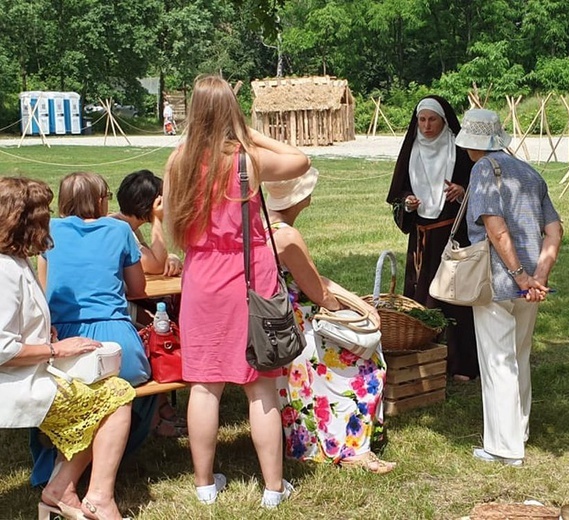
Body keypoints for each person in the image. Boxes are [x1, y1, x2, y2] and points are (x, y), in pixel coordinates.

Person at [164, 75, 310, 508]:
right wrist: (247, 131)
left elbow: (176, 229)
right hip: (250, 274)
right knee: (260, 386)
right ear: (231, 110)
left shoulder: (178, 161)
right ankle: (272, 488)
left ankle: (205, 485)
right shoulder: (248, 160)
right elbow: (299, 159)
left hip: (203, 276)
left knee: (205, 385)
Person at [0, 176, 135, 520]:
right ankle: (93, 495)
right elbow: (2, 349)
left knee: (110, 390)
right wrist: (56, 350)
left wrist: (45, 331)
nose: (49, 223)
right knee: (115, 396)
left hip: (26, 371)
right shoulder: (4, 270)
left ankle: (62, 488)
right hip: (16, 382)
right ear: (24, 221)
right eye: (43, 216)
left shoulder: (14, 260)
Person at [265, 167, 396, 474]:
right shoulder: (286, 235)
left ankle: (305, 442)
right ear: (301, 196)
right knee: (369, 364)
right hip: (300, 326)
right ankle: (353, 448)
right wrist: (353, 310)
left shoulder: (263, 225)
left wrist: (348, 297)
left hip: (277, 322)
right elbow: (318, 292)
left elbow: (311, 276)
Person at [32, 171, 156, 487]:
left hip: (63, 344)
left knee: (65, 392)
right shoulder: (119, 230)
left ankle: (54, 466)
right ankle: (116, 453)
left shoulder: (50, 231)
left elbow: (45, 293)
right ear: (101, 201)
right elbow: (138, 288)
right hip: (115, 343)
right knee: (145, 383)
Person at [456, 108, 563, 466]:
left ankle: (504, 447)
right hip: (531, 284)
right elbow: (554, 230)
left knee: (498, 360)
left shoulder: (483, 169)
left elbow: (495, 227)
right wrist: (539, 277)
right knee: (518, 356)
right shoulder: (529, 172)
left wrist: (520, 275)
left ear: (473, 143)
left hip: (500, 280)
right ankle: (518, 431)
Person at [386, 95, 479, 382]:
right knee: (422, 296)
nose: (426, 126)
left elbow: (480, 188)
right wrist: (408, 202)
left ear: (444, 120)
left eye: (432, 119)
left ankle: (461, 363)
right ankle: (423, 357)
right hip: (421, 240)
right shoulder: (411, 150)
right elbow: (398, 196)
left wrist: (463, 191)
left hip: (453, 236)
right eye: (421, 120)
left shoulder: (461, 150)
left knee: (455, 297)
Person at [112, 169, 186, 438]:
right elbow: (154, 263)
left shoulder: (125, 225)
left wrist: (172, 257)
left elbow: (155, 260)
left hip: (122, 302)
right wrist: (157, 221)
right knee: (162, 330)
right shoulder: (121, 229)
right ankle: (155, 414)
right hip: (116, 310)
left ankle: (161, 403)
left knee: (163, 319)